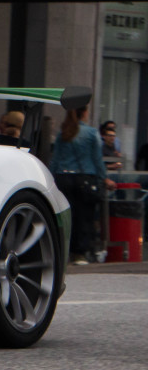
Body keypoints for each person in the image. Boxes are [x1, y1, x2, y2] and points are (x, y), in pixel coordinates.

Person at [50, 104, 115, 265]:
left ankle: (63, 251)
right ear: (85, 113)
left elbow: (55, 159)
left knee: (65, 216)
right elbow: (97, 160)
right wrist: (104, 178)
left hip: (63, 178)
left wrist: (51, 179)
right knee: (84, 217)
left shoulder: (62, 132)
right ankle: (79, 253)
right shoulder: (91, 133)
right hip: (85, 179)